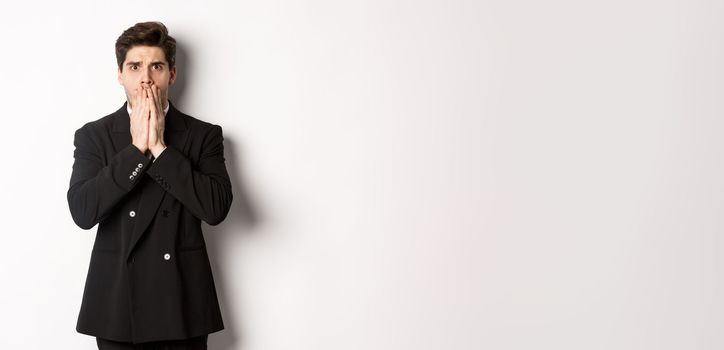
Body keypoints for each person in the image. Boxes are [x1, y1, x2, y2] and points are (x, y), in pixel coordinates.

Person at [67, 21, 233, 349]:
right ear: (120, 74)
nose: (145, 77)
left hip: (181, 302)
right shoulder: (93, 136)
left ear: (171, 74)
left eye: (156, 66)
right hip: (117, 307)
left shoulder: (203, 135)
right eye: (135, 66)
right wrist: (135, 150)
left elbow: (215, 209)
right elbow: (83, 212)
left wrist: (159, 148)